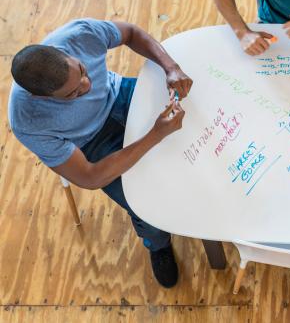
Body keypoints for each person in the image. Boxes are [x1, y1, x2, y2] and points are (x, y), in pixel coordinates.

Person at [8, 18, 193, 288]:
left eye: (82, 71)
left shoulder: (78, 34)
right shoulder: (27, 121)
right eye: (73, 93)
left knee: (195, 125)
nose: (88, 85)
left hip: (120, 94)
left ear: (67, 52)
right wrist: (155, 135)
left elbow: (130, 32)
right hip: (91, 143)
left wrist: (170, 66)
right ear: (40, 98)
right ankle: (158, 243)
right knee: (142, 203)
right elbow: (90, 177)